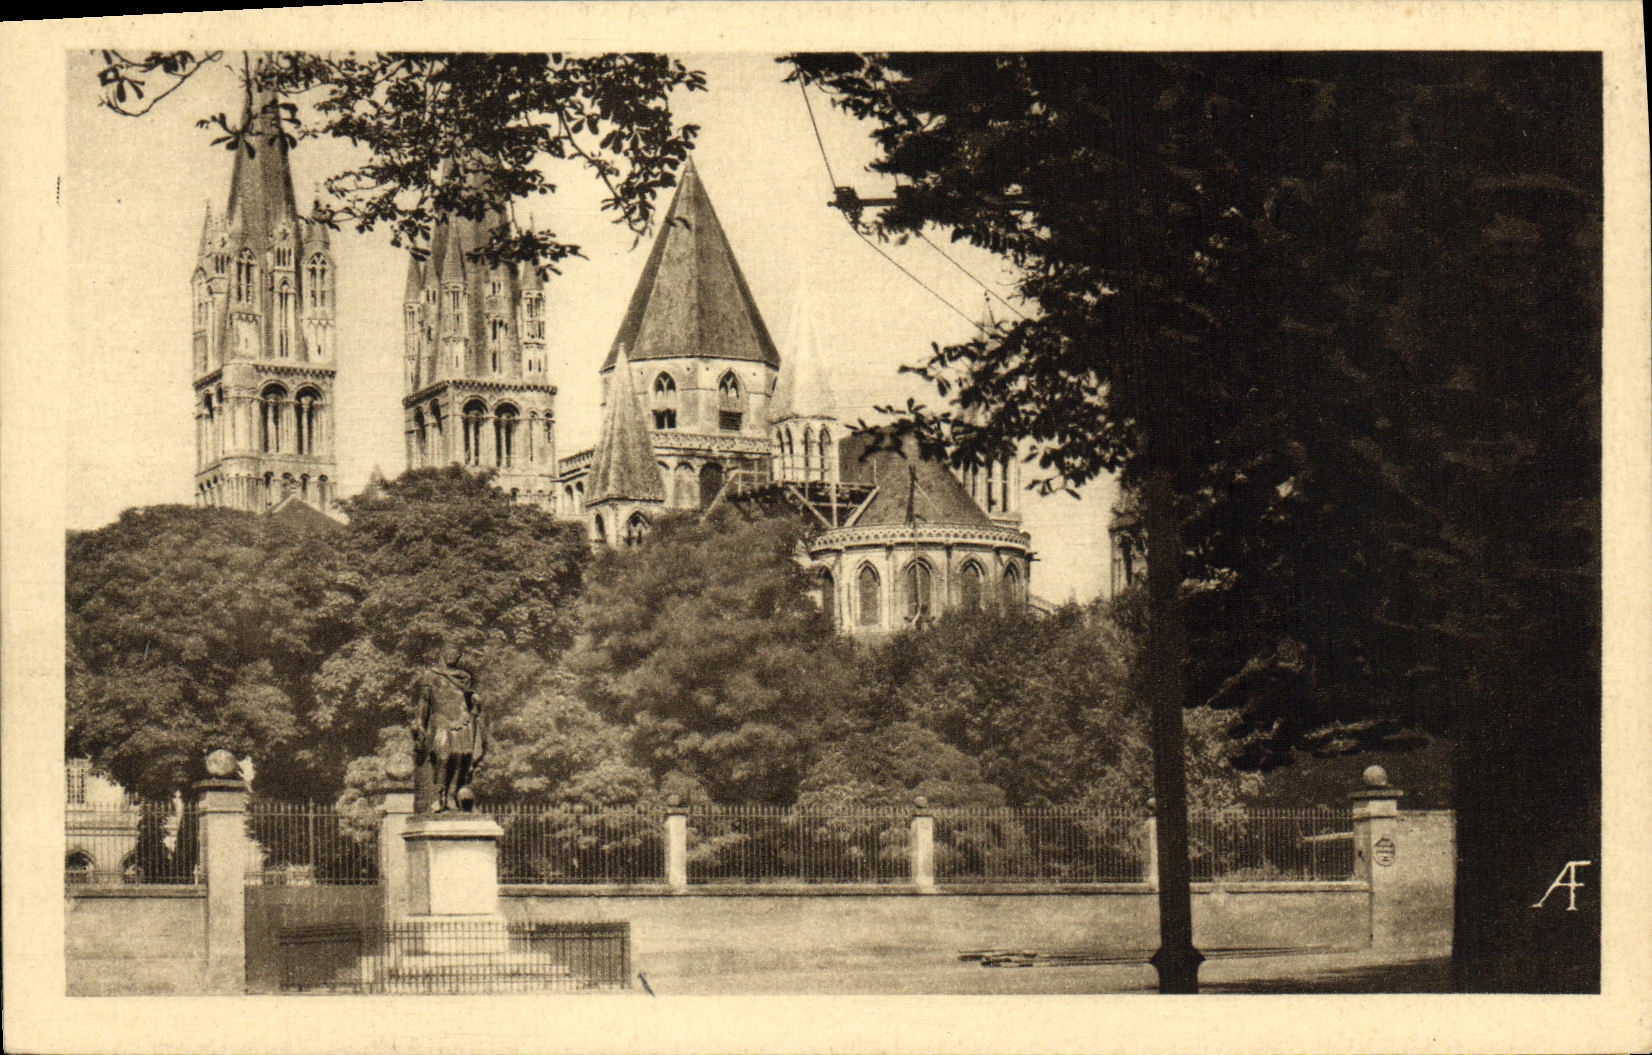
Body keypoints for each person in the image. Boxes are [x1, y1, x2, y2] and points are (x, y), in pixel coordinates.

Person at [410, 645, 487, 813]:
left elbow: (469, 700)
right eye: (448, 652)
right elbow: (424, 702)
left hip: (462, 719)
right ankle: (439, 797)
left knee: (461, 757)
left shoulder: (464, 678)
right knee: (443, 757)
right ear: (442, 654)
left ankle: (452, 795)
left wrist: (475, 701)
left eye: (455, 652)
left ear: (459, 656)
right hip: (441, 720)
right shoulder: (430, 676)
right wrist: (419, 723)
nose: (452, 655)